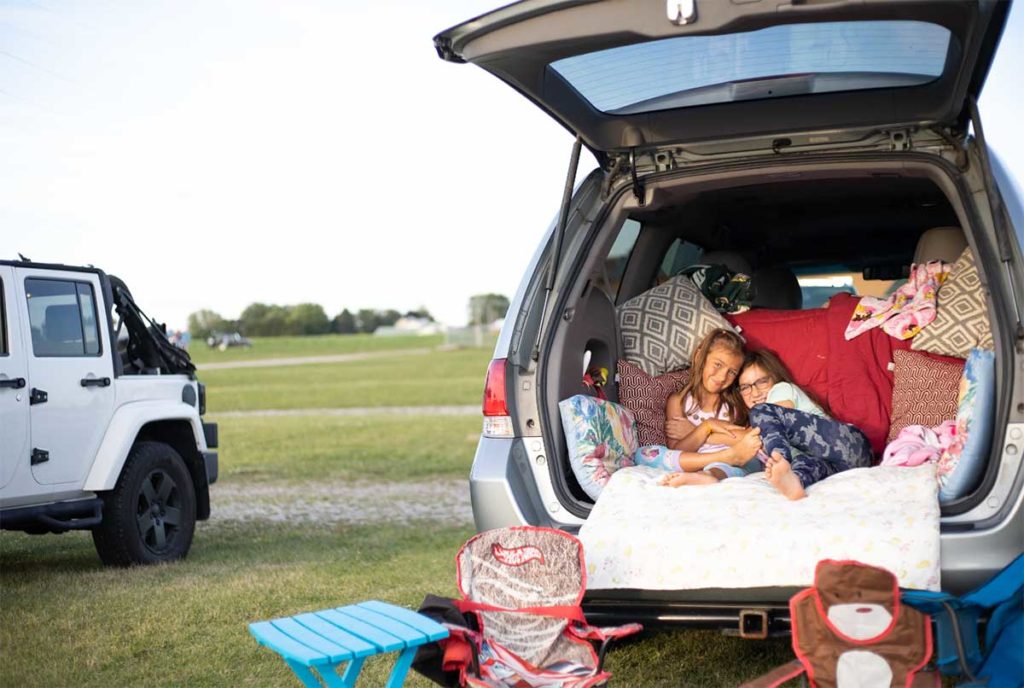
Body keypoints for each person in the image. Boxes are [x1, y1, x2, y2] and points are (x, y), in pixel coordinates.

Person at [660, 349, 873, 500]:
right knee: (801, 467)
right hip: (838, 467)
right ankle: (795, 483)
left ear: (775, 379)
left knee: (763, 415)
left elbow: (763, 434)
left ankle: (784, 464)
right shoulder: (754, 422)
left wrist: (703, 431)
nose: (755, 392)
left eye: (761, 381)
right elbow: (751, 446)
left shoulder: (781, 391)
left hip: (849, 444)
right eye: (745, 387)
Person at [634, 329, 764, 474]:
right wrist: (706, 426)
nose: (722, 377)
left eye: (732, 372)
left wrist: (697, 432)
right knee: (645, 454)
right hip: (697, 461)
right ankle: (726, 459)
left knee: (747, 462)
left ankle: (712, 472)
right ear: (698, 356)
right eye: (718, 365)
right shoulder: (678, 402)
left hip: (727, 466)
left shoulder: (735, 404)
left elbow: (750, 438)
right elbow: (677, 451)